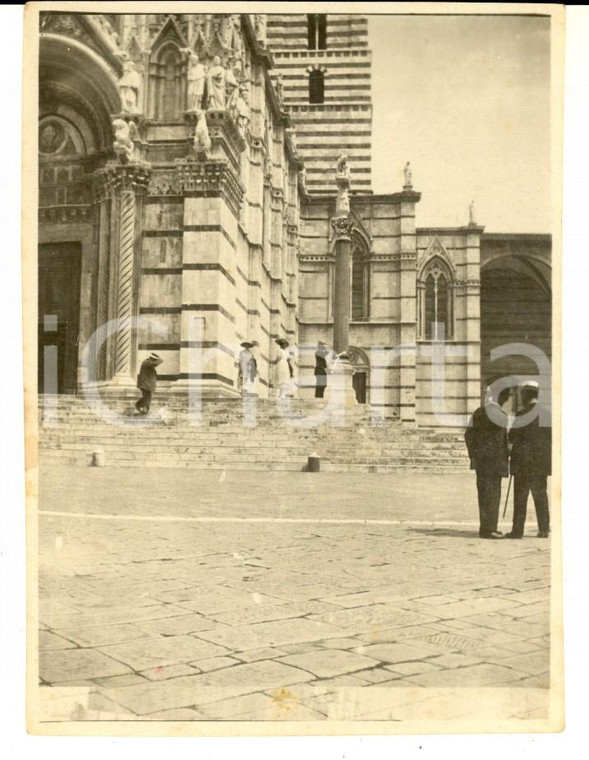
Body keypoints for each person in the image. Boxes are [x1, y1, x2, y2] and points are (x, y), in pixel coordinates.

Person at [505, 381, 551, 539]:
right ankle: (544, 530)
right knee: (541, 496)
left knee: (520, 498)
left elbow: (512, 438)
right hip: (540, 464)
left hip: (523, 464)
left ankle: (517, 531)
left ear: (525, 395)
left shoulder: (521, 415)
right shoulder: (547, 414)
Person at [464, 386, 511, 538]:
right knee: (494, 494)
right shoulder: (502, 416)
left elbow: (468, 435)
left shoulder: (478, 412)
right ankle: (490, 529)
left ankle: (486, 528)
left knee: (483, 493)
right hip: (495, 462)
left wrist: (474, 454)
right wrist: (508, 455)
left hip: (481, 462)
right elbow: (504, 442)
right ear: (502, 399)